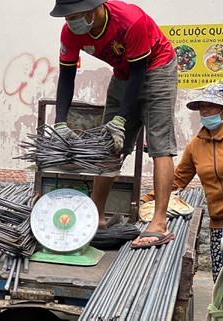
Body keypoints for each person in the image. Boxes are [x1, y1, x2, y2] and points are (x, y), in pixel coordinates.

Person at [49, 0, 178, 248]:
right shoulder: (70, 31)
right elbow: (66, 76)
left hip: (157, 66)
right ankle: (96, 216)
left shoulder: (131, 21)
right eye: (66, 16)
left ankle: (159, 221)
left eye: (74, 15)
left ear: (94, 7)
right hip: (122, 74)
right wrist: (60, 122)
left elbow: (139, 73)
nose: (70, 21)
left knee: (160, 144)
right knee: (107, 146)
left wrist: (121, 119)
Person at [142, 83, 223, 281]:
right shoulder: (196, 144)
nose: (205, 110)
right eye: (201, 106)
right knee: (222, 284)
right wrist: (146, 199)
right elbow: (176, 180)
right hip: (219, 226)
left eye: (211, 105)